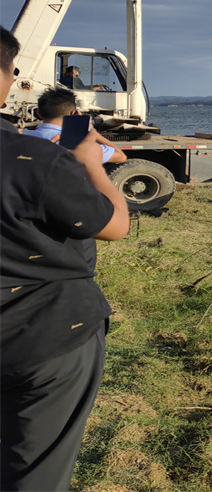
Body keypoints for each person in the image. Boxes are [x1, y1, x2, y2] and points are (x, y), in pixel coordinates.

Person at [0, 26, 130, 491]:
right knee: (33, 468)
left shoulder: (31, 142)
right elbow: (115, 226)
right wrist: (92, 162)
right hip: (44, 337)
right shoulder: (32, 159)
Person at [27, 86, 127, 165]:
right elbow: (120, 156)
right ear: (73, 113)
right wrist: (93, 133)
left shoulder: (22, 138)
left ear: (38, 113)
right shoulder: (79, 143)